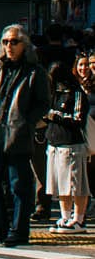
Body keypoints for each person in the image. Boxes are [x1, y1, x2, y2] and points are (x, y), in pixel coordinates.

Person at [0, 24, 51, 246]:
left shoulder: (35, 72)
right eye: (5, 42)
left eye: (14, 41)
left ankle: (19, 230)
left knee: (19, 184)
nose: (9, 46)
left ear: (24, 44)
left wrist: (26, 123)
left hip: (17, 132)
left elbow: (43, 103)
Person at [44, 61, 90, 231]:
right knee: (61, 184)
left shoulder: (76, 93)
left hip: (72, 144)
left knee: (76, 185)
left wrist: (55, 115)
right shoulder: (54, 93)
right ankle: (65, 217)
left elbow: (78, 119)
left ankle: (78, 219)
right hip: (54, 143)